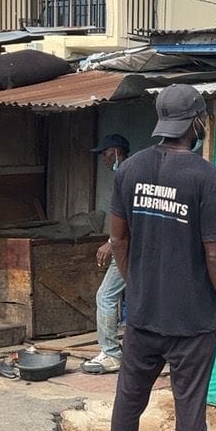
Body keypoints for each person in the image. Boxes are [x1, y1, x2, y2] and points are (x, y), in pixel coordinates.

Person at [107, 83, 216, 431]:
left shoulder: (128, 170)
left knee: (128, 403)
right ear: (197, 122)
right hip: (191, 324)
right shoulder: (209, 178)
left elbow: (118, 240)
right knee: (190, 414)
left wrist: (136, 285)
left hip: (143, 316)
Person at [83, 133, 131, 375]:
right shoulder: (130, 173)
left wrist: (111, 244)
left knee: (105, 296)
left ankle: (111, 354)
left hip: (129, 249)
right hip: (137, 247)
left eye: (104, 153)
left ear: (116, 151)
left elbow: (129, 219)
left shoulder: (125, 175)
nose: (103, 158)